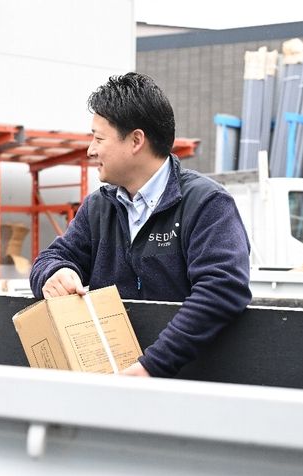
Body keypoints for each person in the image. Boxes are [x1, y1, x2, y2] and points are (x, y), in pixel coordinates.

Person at [30, 73, 251, 378]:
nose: (90, 150)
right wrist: (55, 273)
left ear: (136, 140)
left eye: (98, 138)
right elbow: (51, 258)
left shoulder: (206, 204)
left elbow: (222, 288)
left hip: (184, 388)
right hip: (113, 382)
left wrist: (152, 366)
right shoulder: (99, 207)